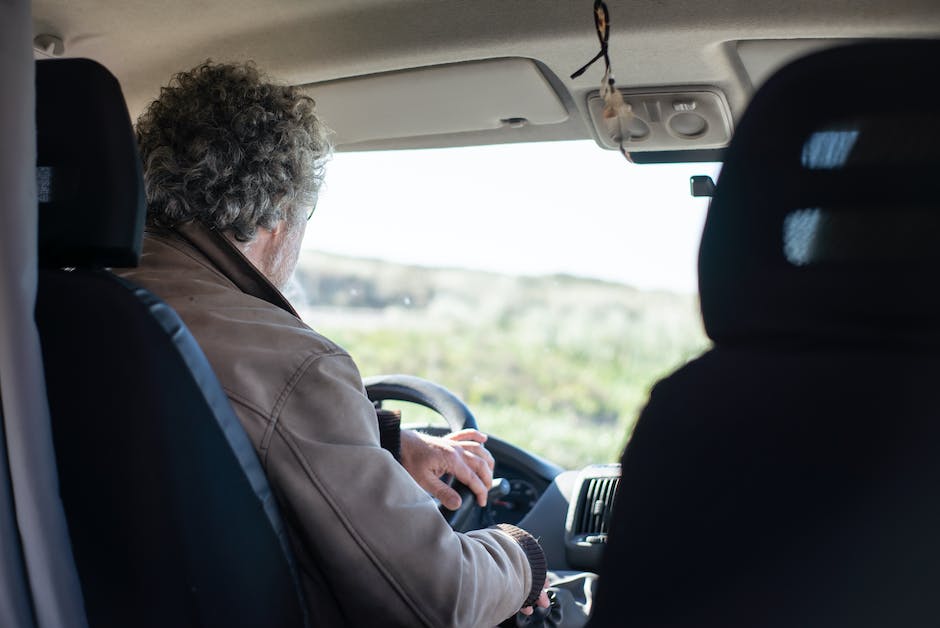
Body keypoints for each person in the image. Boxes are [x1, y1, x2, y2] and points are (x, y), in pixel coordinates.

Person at [119, 61, 549, 627]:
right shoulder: (294, 364)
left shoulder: (80, 300)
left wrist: (384, 441)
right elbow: (436, 601)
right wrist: (524, 555)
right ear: (276, 212)